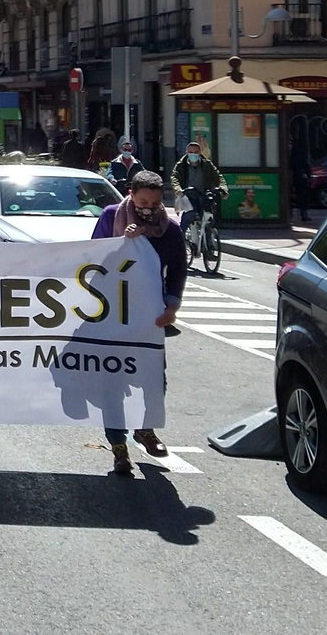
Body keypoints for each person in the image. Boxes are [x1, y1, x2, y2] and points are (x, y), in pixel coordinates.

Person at [90, 171, 184, 476]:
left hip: (148, 316)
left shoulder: (169, 231)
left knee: (155, 379)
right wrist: (121, 241)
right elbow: (92, 257)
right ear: (130, 194)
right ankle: (118, 446)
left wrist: (171, 305)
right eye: (143, 201)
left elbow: (178, 270)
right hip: (110, 314)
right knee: (112, 381)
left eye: (155, 203)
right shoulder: (110, 217)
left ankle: (145, 428)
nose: (149, 208)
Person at [169, 141, 227, 238]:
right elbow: (175, 178)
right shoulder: (181, 165)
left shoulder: (207, 164)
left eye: (196, 152)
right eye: (191, 152)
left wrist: (223, 188)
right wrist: (178, 190)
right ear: (187, 152)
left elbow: (218, 176)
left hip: (204, 195)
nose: (193, 154)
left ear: (200, 153)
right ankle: (180, 237)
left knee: (208, 217)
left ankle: (208, 242)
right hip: (188, 195)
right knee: (189, 214)